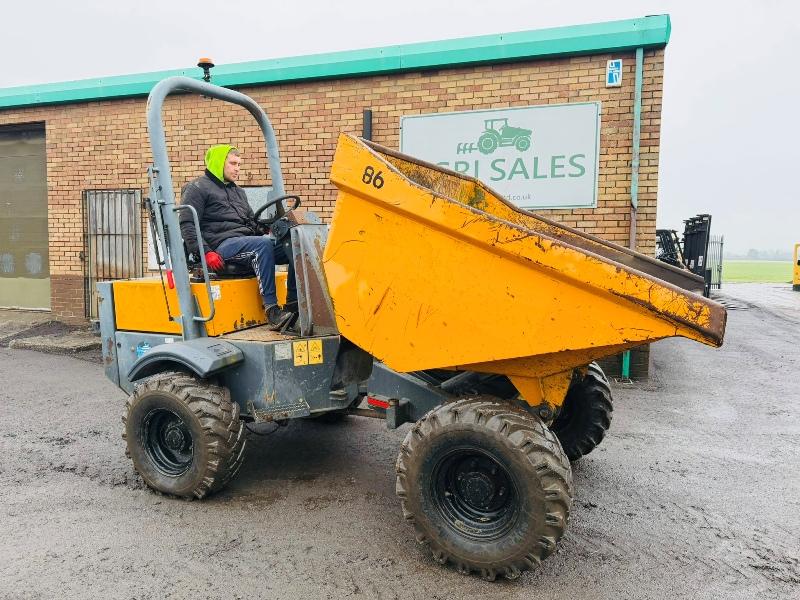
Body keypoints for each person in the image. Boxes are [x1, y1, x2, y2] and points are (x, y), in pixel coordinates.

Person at [179, 144, 296, 329]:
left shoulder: (238, 192)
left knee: (295, 246)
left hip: (245, 241)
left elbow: (251, 221)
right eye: (233, 163)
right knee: (262, 246)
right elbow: (187, 224)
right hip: (220, 246)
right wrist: (206, 252)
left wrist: (267, 228)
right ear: (218, 163)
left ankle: (293, 305)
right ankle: (272, 311)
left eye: (239, 164)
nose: (237, 169)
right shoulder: (197, 188)